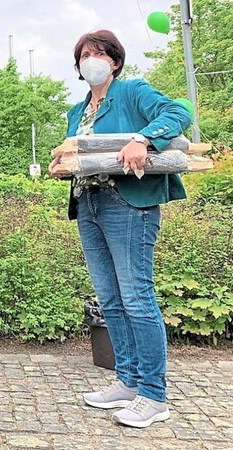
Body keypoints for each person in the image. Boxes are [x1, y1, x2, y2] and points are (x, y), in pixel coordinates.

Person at [49, 30, 191, 428]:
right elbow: (81, 155)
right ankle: (127, 381)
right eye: (83, 55)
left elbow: (179, 112)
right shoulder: (77, 111)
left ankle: (153, 394)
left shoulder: (132, 92)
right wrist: (61, 166)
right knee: (110, 299)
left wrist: (143, 138)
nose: (90, 60)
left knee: (136, 296)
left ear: (113, 60)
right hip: (89, 204)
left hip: (129, 203)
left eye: (98, 53)